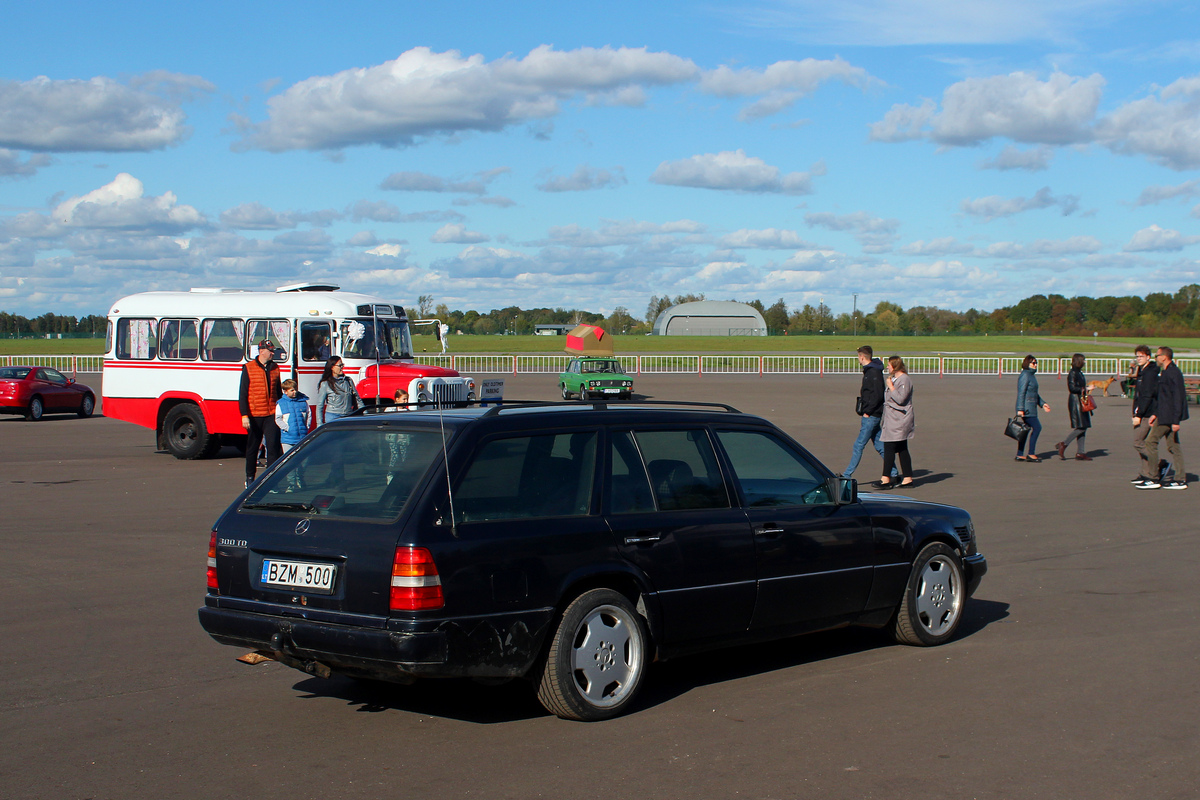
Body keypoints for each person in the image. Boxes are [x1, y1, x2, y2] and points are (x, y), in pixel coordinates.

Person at [1138, 346, 1188, 490]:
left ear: (1164, 357)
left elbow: (1178, 398)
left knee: (1150, 442)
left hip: (1169, 417)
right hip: (1164, 414)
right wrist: (1155, 413)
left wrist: (1176, 421)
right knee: (1173, 446)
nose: (1156, 358)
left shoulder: (1173, 373)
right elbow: (1163, 397)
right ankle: (1180, 479)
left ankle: (1153, 477)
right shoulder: (1165, 372)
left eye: (1157, 356)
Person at [843, 345, 896, 480]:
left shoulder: (873, 373)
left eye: (858, 357)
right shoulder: (871, 371)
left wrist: (868, 411)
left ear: (862, 357)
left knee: (858, 445)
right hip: (872, 415)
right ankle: (894, 473)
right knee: (880, 446)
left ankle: (847, 475)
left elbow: (878, 395)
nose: (858, 359)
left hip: (871, 415)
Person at [239, 339, 283, 488]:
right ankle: (250, 477)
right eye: (270, 351)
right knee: (253, 447)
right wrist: (244, 415)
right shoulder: (249, 368)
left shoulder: (275, 368)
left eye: (273, 351)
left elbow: (278, 392)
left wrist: (282, 410)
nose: (272, 353)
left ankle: (270, 479)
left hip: (271, 412)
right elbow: (243, 393)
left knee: (273, 446)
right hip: (255, 413)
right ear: (261, 351)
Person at [878, 355, 915, 489]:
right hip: (892, 419)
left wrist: (891, 387)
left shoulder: (904, 379)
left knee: (889, 448)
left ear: (895, 366)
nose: (887, 367)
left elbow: (901, 399)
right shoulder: (895, 379)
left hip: (899, 420)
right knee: (901, 448)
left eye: (889, 365)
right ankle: (907, 478)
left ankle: (886, 478)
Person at [1129, 345, 1160, 485]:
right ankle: (1145, 473)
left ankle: (1158, 463)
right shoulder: (1142, 371)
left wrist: (1139, 414)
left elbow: (1147, 395)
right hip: (1141, 411)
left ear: (1148, 357)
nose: (1138, 359)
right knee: (1143, 442)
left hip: (1147, 413)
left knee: (1138, 442)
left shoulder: (1150, 372)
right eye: (1137, 356)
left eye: (1141, 356)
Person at [1055, 353, 1093, 460]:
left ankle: (1080, 452)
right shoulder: (1072, 373)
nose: (1085, 362)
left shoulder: (1079, 372)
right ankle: (1064, 443)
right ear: (1079, 361)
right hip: (1075, 401)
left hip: (1081, 401)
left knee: (1083, 426)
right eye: (1083, 360)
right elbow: (1072, 388)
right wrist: (1085, 389)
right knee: (1081, 426)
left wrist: (1085, 389)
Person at [1015, 355, 1051, 462]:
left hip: (1031, 407)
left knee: (1025, 430)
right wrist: (1020, 409)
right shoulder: (1025, 375)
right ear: (1027, 364)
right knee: (1037, 427)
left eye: (1036, 363)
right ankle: (1031, 453)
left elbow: (1034, 393)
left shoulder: (1031, 375)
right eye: (1033, 363)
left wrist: (1042, 404)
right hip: (1026, 408)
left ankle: (1020, 454)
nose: (1035, 365)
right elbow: (1021, 393)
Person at [315, 356, 361, 425]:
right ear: (332, 367)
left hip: (348, 416)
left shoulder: (348, 381)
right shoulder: (325, 384)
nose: (342, 367)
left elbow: (358, 399)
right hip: (333, 417)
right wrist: (319, 423)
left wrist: (365, 415)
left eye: (342, 365)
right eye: (340, 365)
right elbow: (320, 405)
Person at [275, 378, 310, 453]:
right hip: (288, 439)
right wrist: (287, 428)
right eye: (292, 390)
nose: (295, 392)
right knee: (289, 460)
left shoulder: (303, 402)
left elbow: (309, 415)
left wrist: (307, 427)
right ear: (285, 392)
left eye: (295, 389)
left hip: (302, 437)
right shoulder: (281, 403)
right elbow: (278, 419)